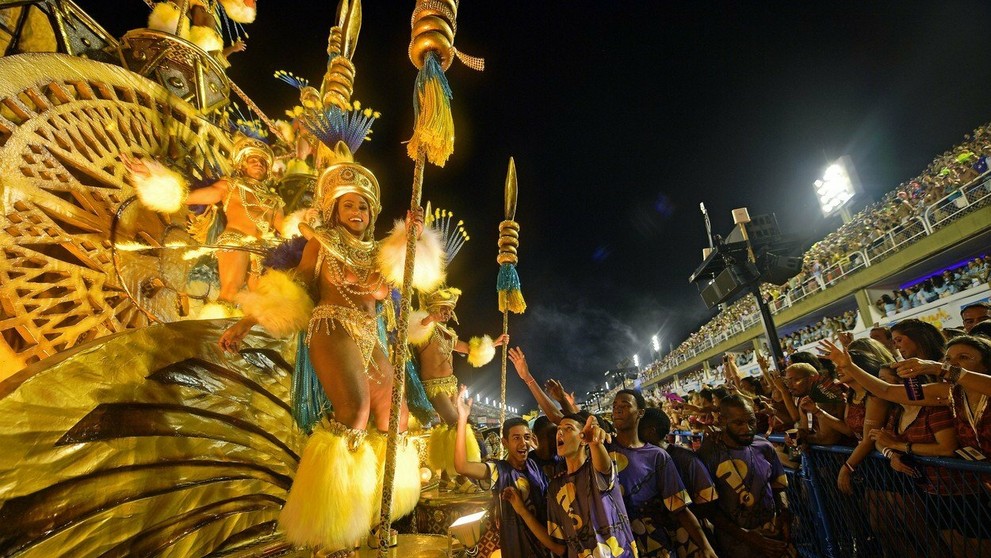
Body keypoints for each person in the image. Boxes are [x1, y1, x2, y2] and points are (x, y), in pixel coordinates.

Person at [218, 143, 443, 555]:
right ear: (335, 211)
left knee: (396, 415)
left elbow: (400, 285)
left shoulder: (379, 254)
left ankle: (373, 515)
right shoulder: (320, 244)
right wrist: (246, 321)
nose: (356, 211)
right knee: (354, 410)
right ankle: (332, 530)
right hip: (330, 325)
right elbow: (297, 285)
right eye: (348, 205)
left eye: (363, 206)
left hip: (369, 333)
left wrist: (412, 238)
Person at [124, 135, 286, 312]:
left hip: (263, 251)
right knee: (231, 291)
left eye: (263, 161)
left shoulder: (275, 201)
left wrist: (308, 221)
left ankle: (246, 335)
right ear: (242, 164)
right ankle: (213, 331)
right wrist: (152, 178)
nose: (259, 163)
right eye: (253, 159)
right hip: (236, 242)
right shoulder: (230, 186)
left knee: (262, 301)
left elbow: (286, 229)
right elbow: (187, 197)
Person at [505, 411, 638, 558]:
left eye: (568, 428)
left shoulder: (596, 471)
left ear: (583, 438)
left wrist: (595, 443)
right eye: (558, 429)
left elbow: (603, 465)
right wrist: (522, 511)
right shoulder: (555, 488)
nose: (560, 433)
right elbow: (559, 547)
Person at [408, 286, 508, 477]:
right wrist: (430, 319)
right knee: (456, 423)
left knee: (459, 425)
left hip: (451, 385)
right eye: (443, 309)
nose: (447, 313)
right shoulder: (425, 331)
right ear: (433, 308)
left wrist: (494, 343)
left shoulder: (449, 335)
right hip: (433, 387)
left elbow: (469, 349)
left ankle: (448, 475)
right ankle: (463, 474)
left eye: (448, 310)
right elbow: (414, 329)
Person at [608, 390, 717, 558]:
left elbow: (680, 507)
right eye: (615, 406)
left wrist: (705, 546)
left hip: (655, 547)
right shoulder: (602, 447)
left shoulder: (658, 456)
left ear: (640, 413)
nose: (618, 410)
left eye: (625, 405)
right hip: (617, 547)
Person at [452, 386, 552, 558]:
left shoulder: (535, 465)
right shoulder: (499, 471)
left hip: (545, 547)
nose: (523, 443)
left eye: (526, 437)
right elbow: (461, 466)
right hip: (517, 548)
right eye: (516, 438)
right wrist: (462, 419)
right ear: (504, 442)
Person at [695, 395, 794, 558]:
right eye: (738, 423)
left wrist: (783, 513)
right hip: (735, 546)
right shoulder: (708, 454)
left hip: (772, 538)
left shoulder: (764, 447)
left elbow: (778, 485)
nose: (747, 429)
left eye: (751, 422)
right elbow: (708, 509)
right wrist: (748, 536)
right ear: (721, 421)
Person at [640, 407, 720, 558]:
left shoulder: (685, 459)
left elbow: (709, 504)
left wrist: (678, 513)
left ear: (651, 431)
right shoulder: (644, 461)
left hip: (692, 540)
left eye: (638, 428)